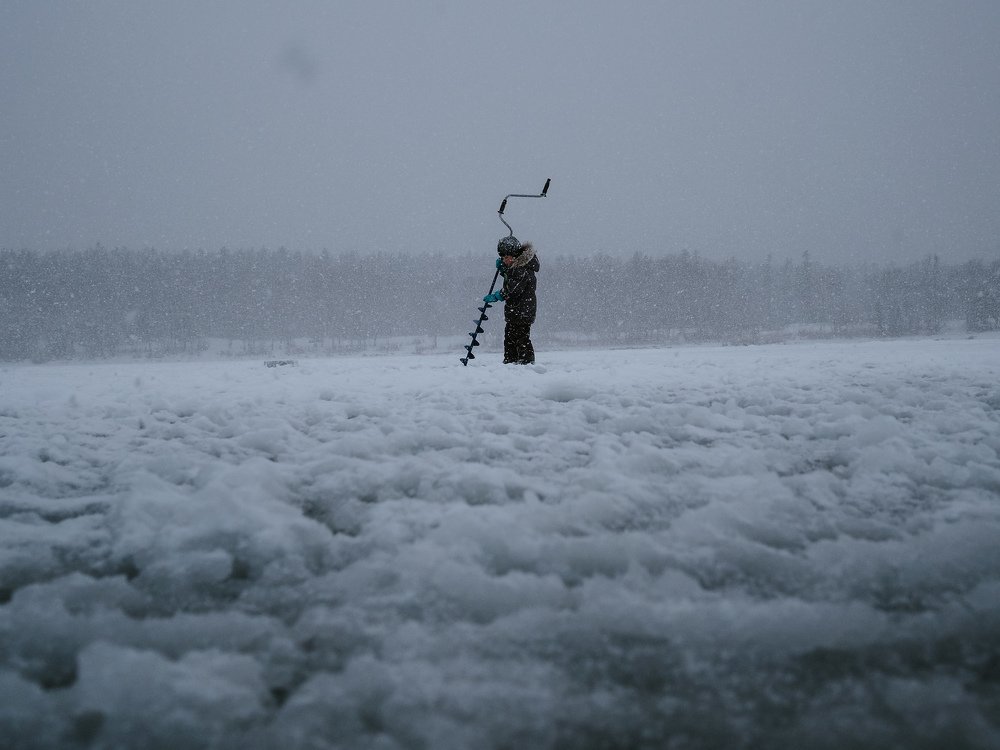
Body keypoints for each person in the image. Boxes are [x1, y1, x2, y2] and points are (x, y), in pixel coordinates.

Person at [484, 235, 539, 364]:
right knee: (510, 338)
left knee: (520, 338)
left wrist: (497, 296)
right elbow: (512, 279)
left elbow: (513, 290)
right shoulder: (517, 268)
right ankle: (510, 362)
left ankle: (525, 363)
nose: (504, 260)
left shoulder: (522, 269)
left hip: (522, 312)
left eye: (506, 257)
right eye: (503, 258)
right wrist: (504, 270)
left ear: (514, 256)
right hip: (516, 311)